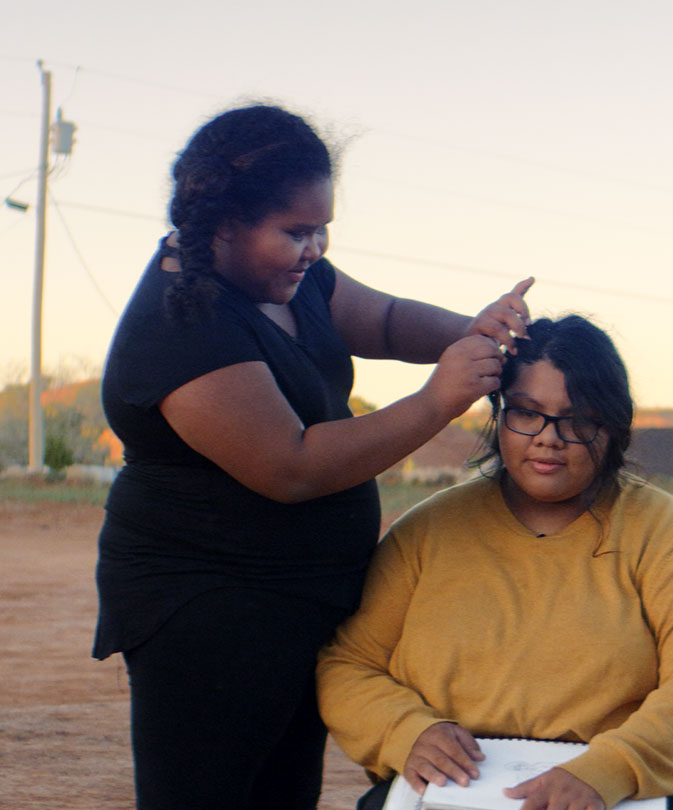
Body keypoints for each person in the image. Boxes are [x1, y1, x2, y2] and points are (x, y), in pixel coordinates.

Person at [93, 103, 533, 810]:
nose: (315, 248)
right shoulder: (183, 326)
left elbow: (385, 321)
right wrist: (437, 400)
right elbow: (292, 467)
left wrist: (473, 332)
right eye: (296, 232)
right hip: (211, 614)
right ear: (225, 225)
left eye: (322, 229)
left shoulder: (289, 279)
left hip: (300, 602)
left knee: (283, 794)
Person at [316, 314, 673, 810]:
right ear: (498, 412)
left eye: (579, 419)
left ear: (612, 428)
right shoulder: (427, 532)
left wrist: (606, 771)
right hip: (462, 786)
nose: (549, 437)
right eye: (526, 412)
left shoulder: (669, 536)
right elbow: (349, 664)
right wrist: (407, 731)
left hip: (626, 786)